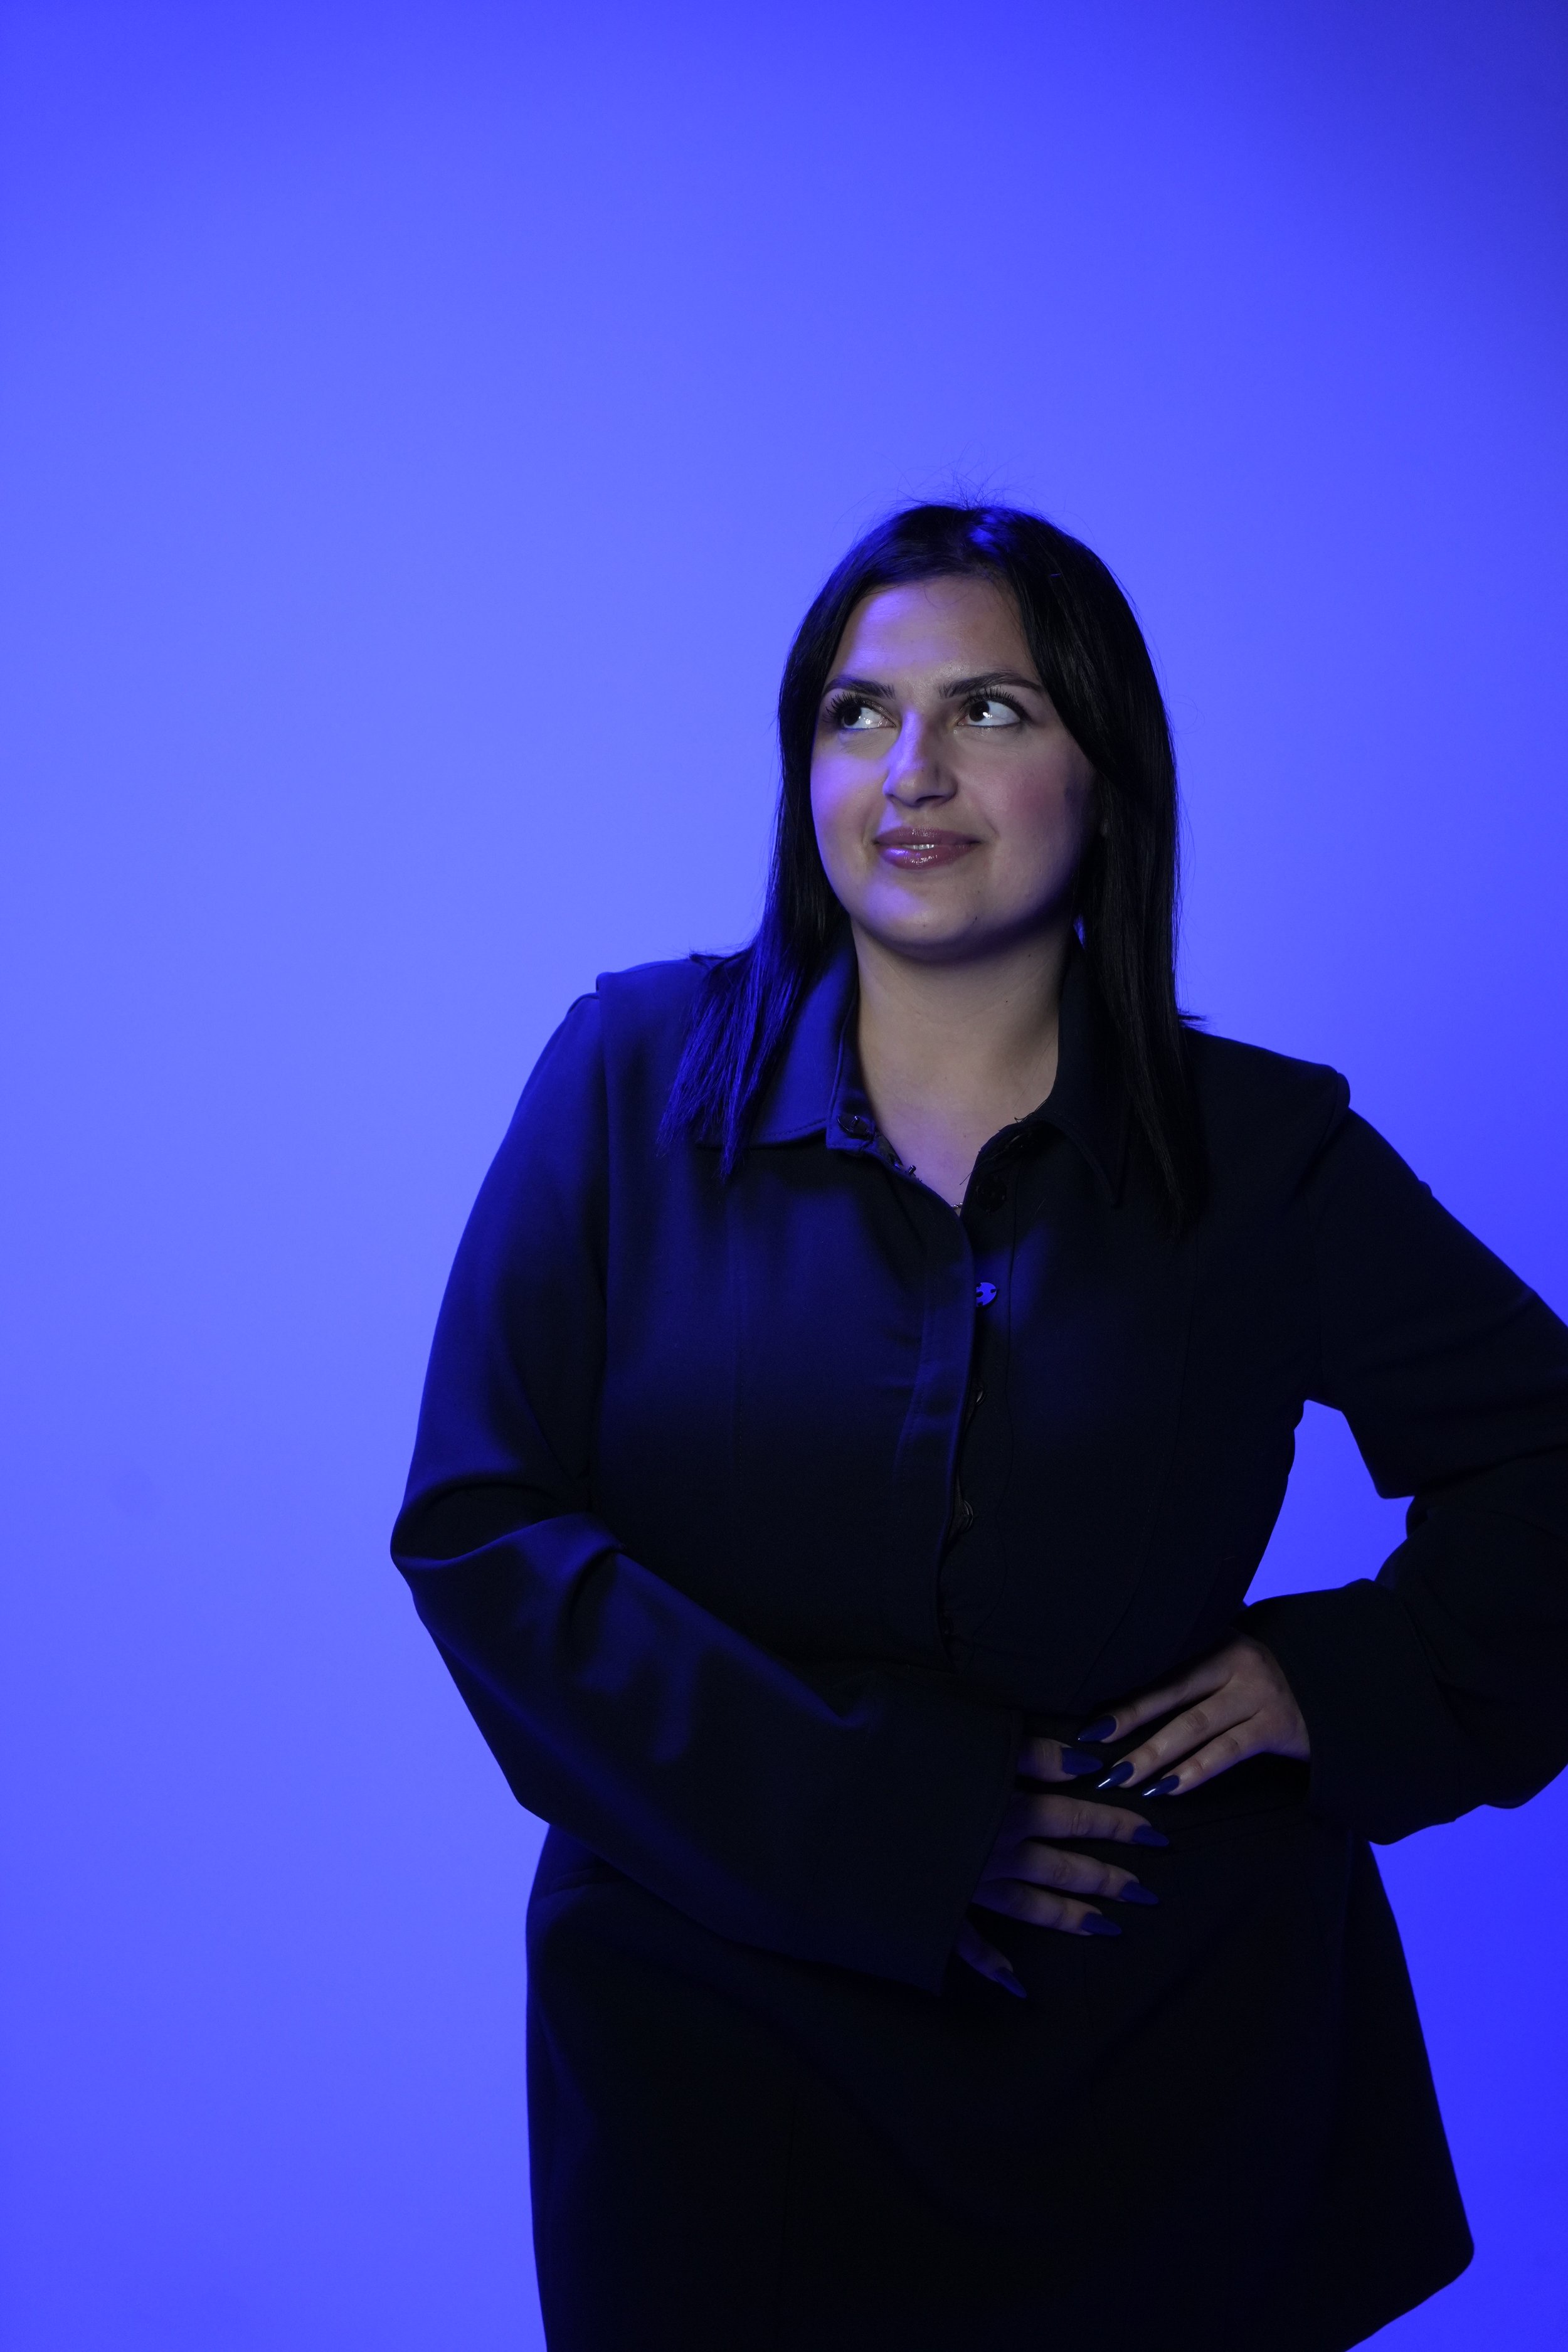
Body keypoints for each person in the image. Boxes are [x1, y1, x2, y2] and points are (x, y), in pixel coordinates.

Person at [391, 503, 1568, 2351]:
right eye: (856, 715)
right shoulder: (624, 1079)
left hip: (1164, 2062)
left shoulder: (1265, 1156)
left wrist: (1333, 1678)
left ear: (1108, 769)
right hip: (714, 2059)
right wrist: (896, 1817)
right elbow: (486, 1530)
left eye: (992, 710)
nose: (911, 771)